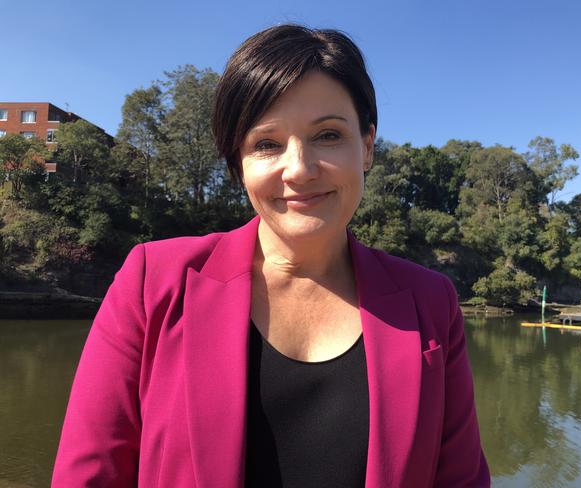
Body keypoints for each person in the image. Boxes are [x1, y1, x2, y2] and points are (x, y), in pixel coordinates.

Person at [52, 24, 490, 487]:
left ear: (366, 147)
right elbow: (89, 475)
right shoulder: (153, 282)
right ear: (238, 162)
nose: (299, 169)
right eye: (267, 144)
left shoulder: (431, 303)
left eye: (327, 135)